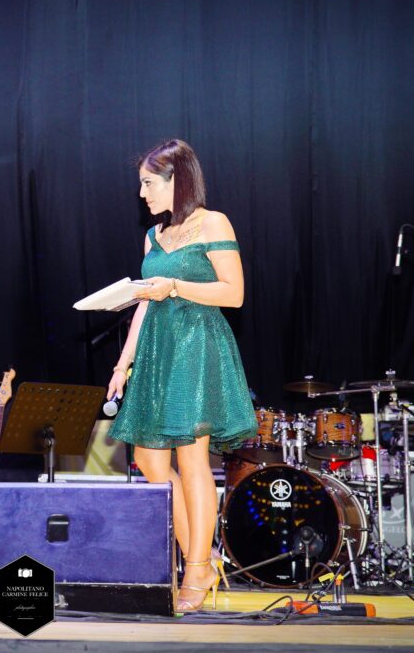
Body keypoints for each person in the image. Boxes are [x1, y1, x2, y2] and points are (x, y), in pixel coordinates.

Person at [106, 140, 255, 613]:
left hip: (197, 348)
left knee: (193, 461)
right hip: (156, 353)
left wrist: (175, 285)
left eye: (149, 183)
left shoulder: (213, 223)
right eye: (142, 185)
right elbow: (144, 303)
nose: (142, 193)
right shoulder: (152, 238)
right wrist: (123, 362)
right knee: (151, 464)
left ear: (177, 180)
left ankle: (195, 568)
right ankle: (202, 558)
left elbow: (234, 294)